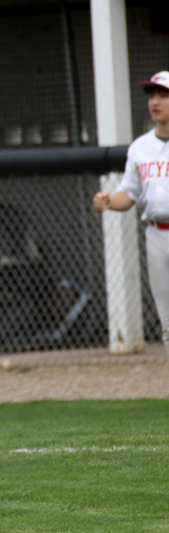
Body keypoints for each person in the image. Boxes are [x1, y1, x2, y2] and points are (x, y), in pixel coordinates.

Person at [93, 71, 169, 360]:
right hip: (156, 234)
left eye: (163, 95)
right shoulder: (140, 147)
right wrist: (110, 200)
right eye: (151, 95)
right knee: (168, 323)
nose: (155, 102)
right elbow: (130, 194)